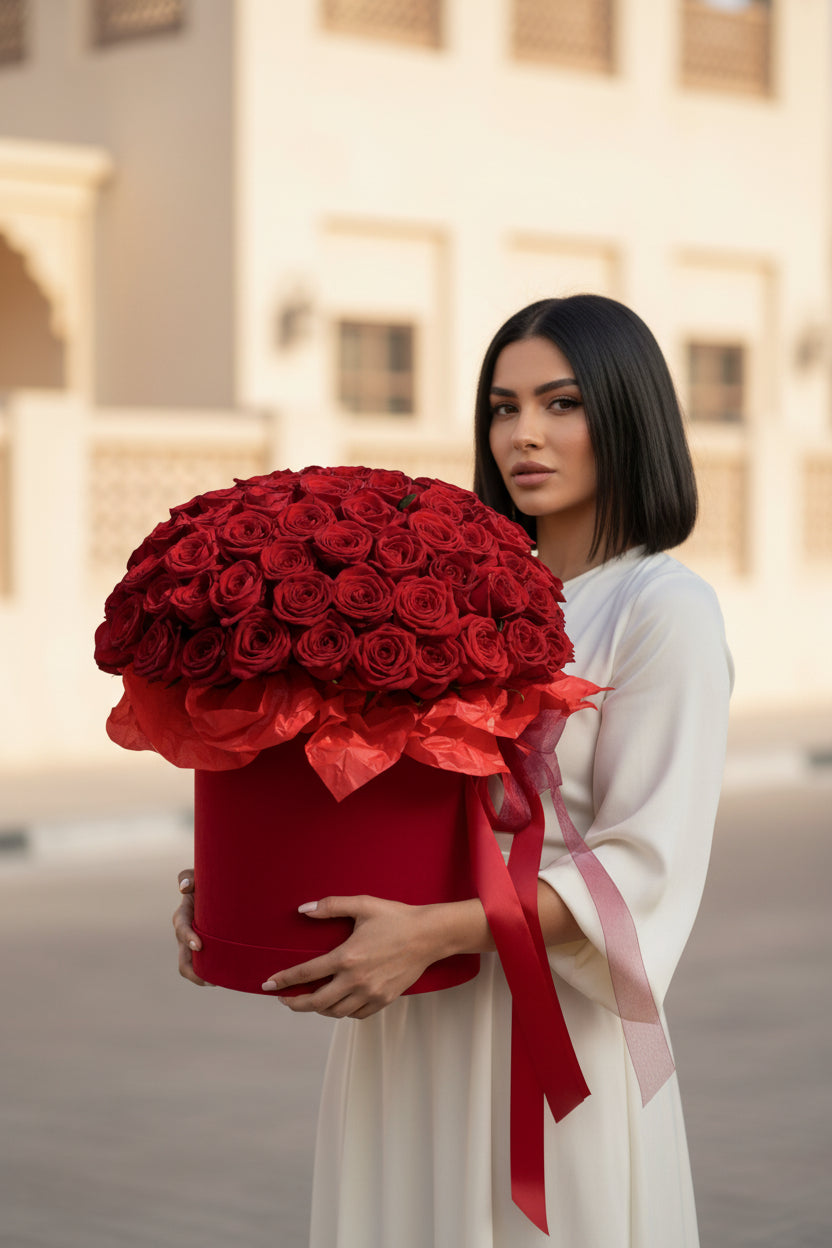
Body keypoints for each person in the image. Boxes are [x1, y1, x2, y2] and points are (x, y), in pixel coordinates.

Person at [173, 294, 733, 1247]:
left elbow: (648, 865)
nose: (525, 435)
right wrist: (245, 893)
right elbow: (371, 787)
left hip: (551, 1024)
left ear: (628, 414)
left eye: (561, 404)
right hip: (412, 1007)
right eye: (503, 407)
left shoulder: (661, 608)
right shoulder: (451, 589)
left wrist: (436, 931)